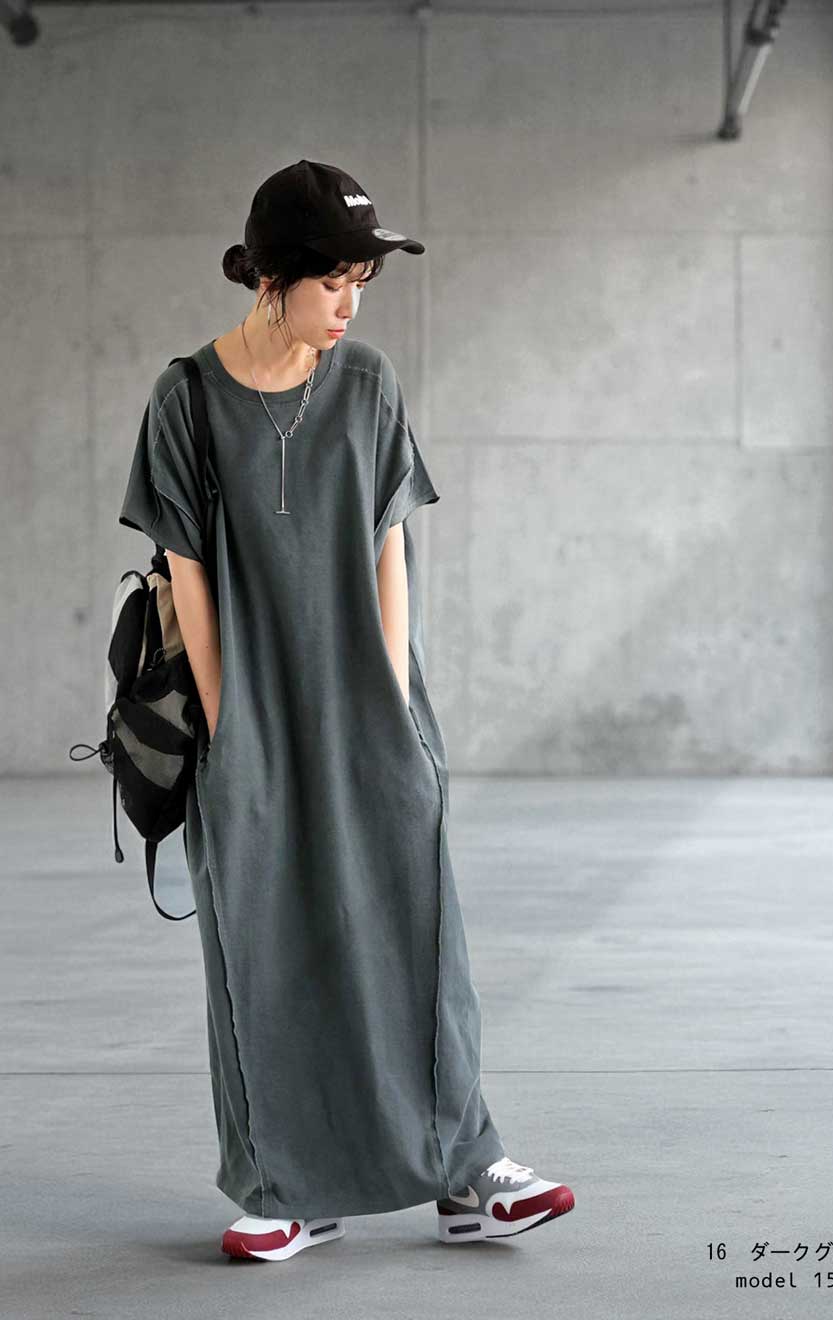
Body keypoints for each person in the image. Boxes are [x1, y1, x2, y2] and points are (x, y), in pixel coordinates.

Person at [118, 159, 575, 1262]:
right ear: (270, 278)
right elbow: (189, 580)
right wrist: (230, 731)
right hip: (249, 719)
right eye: (334, 284)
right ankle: (284, 1186)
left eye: (362, 284)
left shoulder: (366, 383)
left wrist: (395, 703)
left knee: (418, 938)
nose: (351, 308)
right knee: (261, 949)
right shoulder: (187, 400)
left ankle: (466, 1170)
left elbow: (387, 545)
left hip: (373, 708)